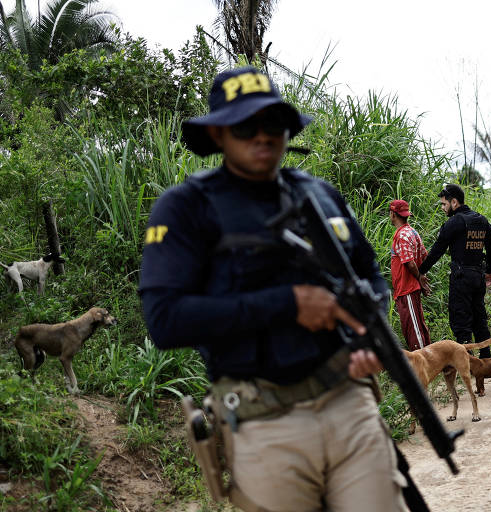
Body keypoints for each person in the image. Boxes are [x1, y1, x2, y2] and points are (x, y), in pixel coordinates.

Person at [139, 67, 411, 511]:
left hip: (349, 404)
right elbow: (165, 321)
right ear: (220, 134)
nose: (263, 136)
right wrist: (287, 304)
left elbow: (370, 274)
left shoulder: (320, 194)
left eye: (275, 123)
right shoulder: (186, 207)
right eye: (246, 126)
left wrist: (367, 335)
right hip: (264, 423)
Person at [419, 184, 491, 358]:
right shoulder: (481, 220)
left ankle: (467, 362)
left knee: (461, 319)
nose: (442, 208)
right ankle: (486, 358)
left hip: (461, 278)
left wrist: (421, 271)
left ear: (454, 202)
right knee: (479, 317)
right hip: (478, 276)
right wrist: (489, 271)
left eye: (444, 204)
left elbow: (436, 251)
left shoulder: (454, 222)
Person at [389, 199, 432, 351]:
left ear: (393, 215)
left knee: (413, 329)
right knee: (417, 324)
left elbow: (410, 263)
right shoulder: (412, 232)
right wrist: (422, 279)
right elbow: (424, 256)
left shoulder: (402, 235)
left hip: (407, 287)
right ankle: (430, 362)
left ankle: (423, 365)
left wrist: (419, 278)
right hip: (410, 288)